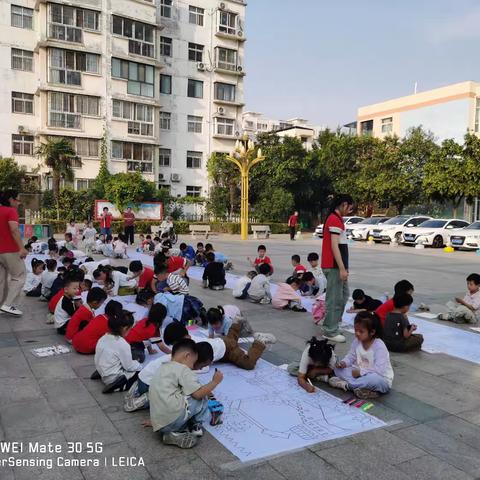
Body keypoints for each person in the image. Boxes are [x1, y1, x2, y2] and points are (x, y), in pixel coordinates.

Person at [146, 338, 223, 448]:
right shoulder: (183, 369)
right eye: (193, 362)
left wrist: (156, 421)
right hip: (172, 421)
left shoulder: (163, 367)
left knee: (184, 394)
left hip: (159, 422)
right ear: (187, 356)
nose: (193, 366)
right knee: (201, 395)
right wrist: (215, 382)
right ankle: (195, 426)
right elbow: (198, 394)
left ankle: (173, 434)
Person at [329, 311, 394, 399]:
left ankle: (346, 385)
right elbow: (351, 356)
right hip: (358, 375)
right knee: (337, 368)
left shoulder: (379, 346)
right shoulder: (357, 341)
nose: (357, 333)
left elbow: (379, 370)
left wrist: (360, 372)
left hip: (379, 378)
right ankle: (360, 388)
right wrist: (344, 363)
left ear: (372, 332)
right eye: (356, 330)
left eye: (361, 331)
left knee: (373, 379)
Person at [321, 194, 354, 343]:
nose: (350, 211)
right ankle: (329, 330)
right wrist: (341, 268)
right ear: (344, 204)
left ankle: (333, 325)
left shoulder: (337, 219)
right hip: (333, 266)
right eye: (349, 208)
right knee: (334, 299)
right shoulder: (334, 219)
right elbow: (335, 246)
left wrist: (344, 268)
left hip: (338, 266)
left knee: (344, 295)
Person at [94, 310, 142, 394]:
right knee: (140, 374)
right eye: (130, 329)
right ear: (125, 328)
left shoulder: (103, 337)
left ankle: (103, 373)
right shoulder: (122, 344)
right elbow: (129, 367)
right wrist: (138, 365)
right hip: (113, 378)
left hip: (102, 370)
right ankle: (118, 386)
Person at [0, 190, 28, 315]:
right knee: (19, 276)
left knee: (1, 279)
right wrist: (21, 248)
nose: (19, 202)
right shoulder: (11, 211)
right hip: (10, 250)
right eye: (18, 199)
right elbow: (14, 229)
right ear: (11, 199)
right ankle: (7, 304)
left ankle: (1, 305)